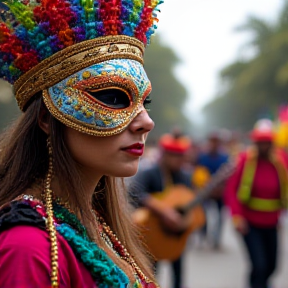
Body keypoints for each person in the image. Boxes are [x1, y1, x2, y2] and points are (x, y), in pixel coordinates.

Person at [0, 1, 164, 287]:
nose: (145, 122)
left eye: (144, 102)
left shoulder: (98, 224)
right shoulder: (28, 247)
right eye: (113, 97)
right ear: (45, 120)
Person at [225, 119, 288, 288]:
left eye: (267, 142)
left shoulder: (281, 160)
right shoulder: (245, 159)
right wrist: (237, 216)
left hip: (272, 223)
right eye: (260, 142)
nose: (264, 146)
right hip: (249, 223)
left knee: (272, 266)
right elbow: (232, 190)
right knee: (259, 265)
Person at [129, 132, 193, 288]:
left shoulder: (184, 176)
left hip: (176, 235)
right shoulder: (150, 173)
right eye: (175, 155)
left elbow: (191, 202)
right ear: (164, 155)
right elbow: (134, 193)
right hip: (152, 234)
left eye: (181, 155)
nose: (179, 160)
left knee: (178, 274)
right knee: (151, 273)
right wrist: (163, 211)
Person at [193, 133, 229, 249]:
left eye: (216, 141)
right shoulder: (202, 157)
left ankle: (216, 240)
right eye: (212, 141)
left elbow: (228, 175)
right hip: (206, 191)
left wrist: (221, 188)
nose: (214, 144)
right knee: (203, 215)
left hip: (220, 192)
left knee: (219, 217)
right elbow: (197, 174)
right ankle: (202, 238)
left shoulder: (224, 157)